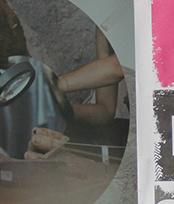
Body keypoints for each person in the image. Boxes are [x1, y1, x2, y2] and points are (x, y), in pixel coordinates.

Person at [25, 27, 126, 160]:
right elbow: (106, 111)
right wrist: (62, 108)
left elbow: (118, 67)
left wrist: (52, 87)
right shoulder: (105, 27)